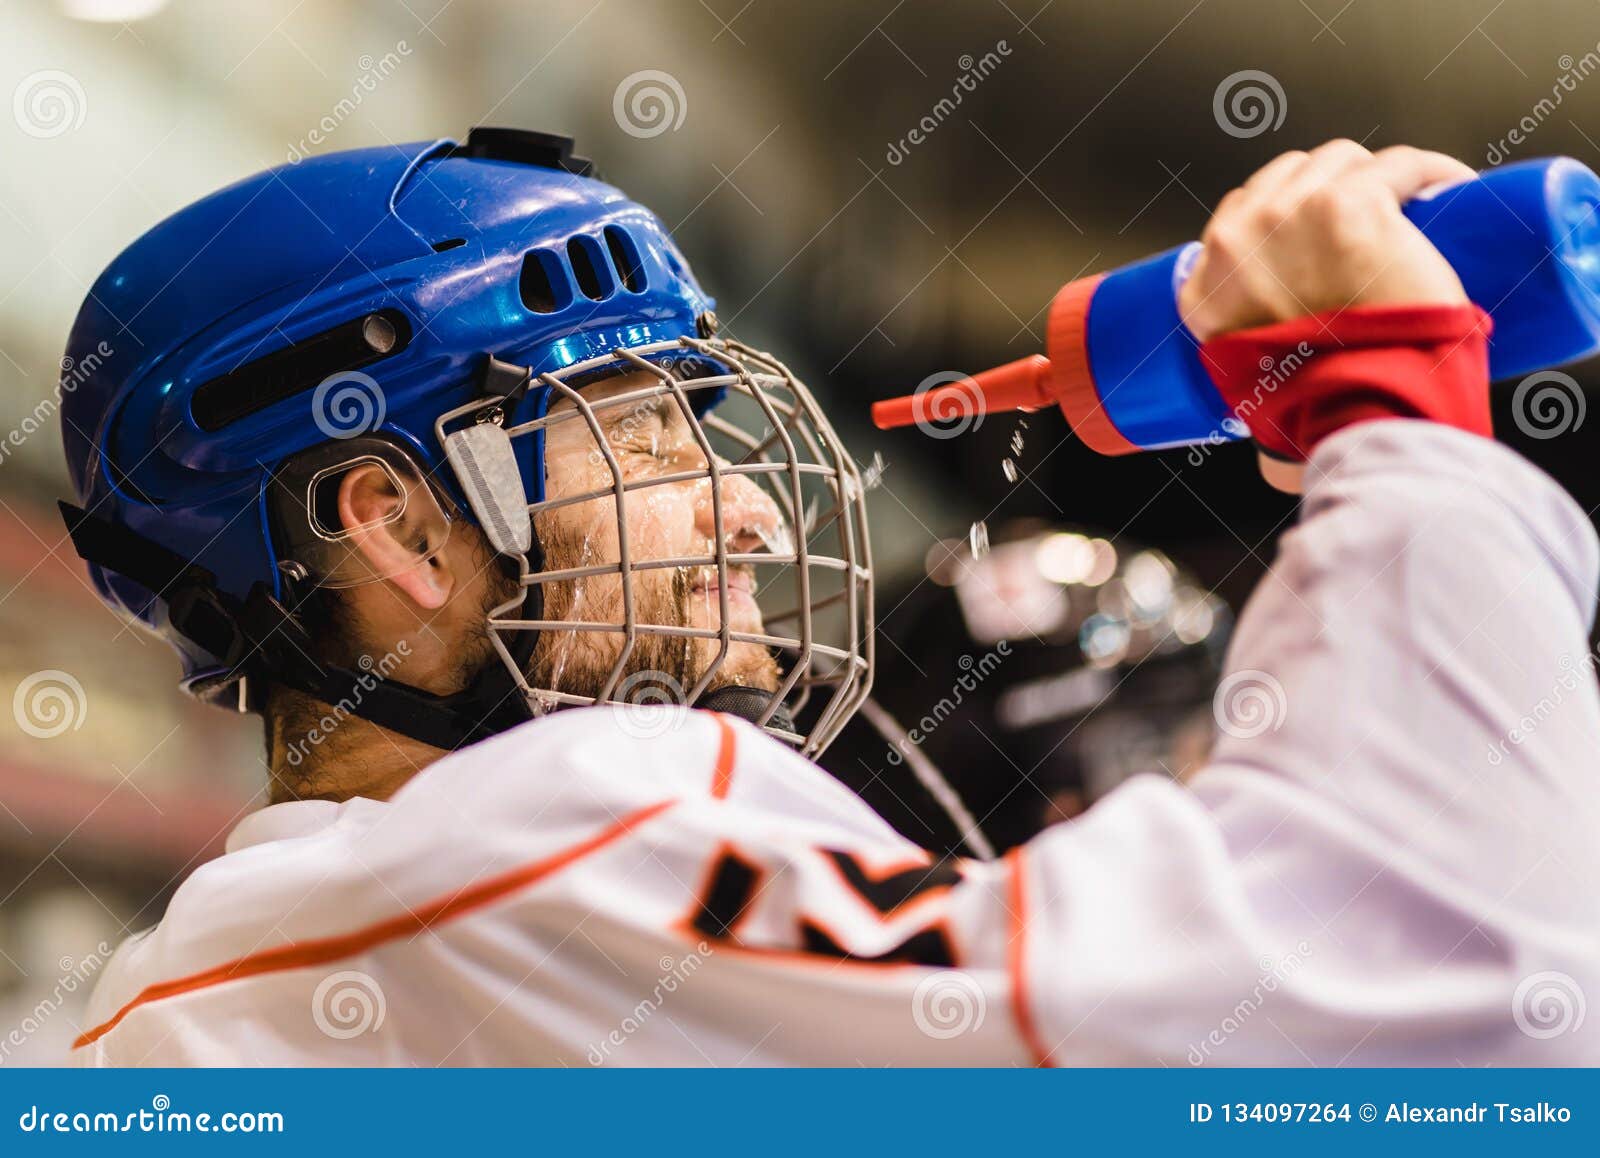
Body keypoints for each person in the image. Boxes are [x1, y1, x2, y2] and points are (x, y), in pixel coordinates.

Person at [62, 131, 1599, 1065]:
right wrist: (1391, 424)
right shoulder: (524, 847)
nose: (738, 505)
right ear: (396, 524)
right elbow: (1420, 1008)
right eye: (646, 431)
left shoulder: (191, 997)